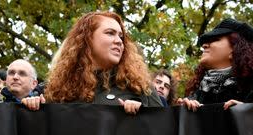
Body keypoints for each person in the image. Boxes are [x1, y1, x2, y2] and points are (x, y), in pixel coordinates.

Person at [21, 11, 161, 114]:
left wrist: (143, 117)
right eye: (110, 33)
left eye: (121, 36)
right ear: (87, 39)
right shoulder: (57, 91)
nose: (119, 41)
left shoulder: (141, 88)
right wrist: (33, 109)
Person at [177, 18, 253, 111]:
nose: (204, 45)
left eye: (215, 39)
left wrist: (251, 116)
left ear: (235, 49)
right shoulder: (198, 94)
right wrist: (182, 114)